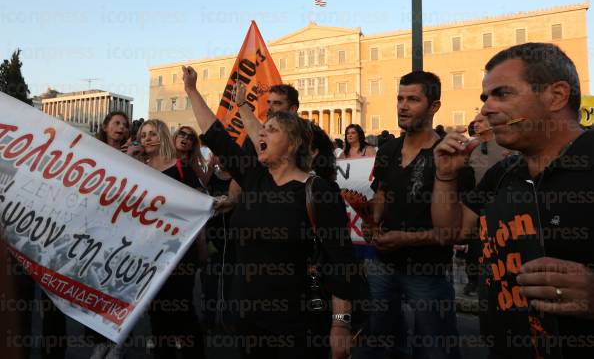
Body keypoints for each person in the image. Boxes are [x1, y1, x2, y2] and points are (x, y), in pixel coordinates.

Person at [183, 65, 360, 359]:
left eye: (271, 131)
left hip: (299, 323)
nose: (260, 134)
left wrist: (340, 326)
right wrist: (192, 91)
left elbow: (341, 263)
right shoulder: (254, 177)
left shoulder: (319, 192)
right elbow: (216, 134)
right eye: (262, 130)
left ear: (292, 146)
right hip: (250, 319)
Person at [431, 43, 594, 358]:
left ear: (556, 96)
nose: (485, 110)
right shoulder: (503, 173)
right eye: (485, 98)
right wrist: (446, 176)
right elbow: (451, 233)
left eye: (502, 94)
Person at [362, 71, 475, 359]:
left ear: (434, 106)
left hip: (428, 271)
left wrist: (405, 239)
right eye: (400, 98)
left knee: (435, 349)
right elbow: (382, 194)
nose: (402, 105)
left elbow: (459, 231)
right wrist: (371, 220)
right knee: (380, 343)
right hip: (382, 266)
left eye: (413, 99)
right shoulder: (387, 150)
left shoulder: (451, 156)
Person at [137, 119, 207, 358]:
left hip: (179, 254)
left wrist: (202, 248)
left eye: (152, 133)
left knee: (182, 309)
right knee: (157, 314)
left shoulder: (181, 169)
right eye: (143, 134)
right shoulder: (137, 170)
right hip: (149, 254)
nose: (146, 138)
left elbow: (200, 210)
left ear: (164, 137)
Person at [173, 126, 214, 192]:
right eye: (182, 134)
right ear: (175, 138)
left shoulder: (192, 162)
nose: (186, 137)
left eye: (190, 138)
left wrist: (210, 167)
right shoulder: (165, 158)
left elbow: (204, 182)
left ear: (192, 146)